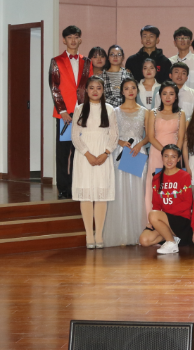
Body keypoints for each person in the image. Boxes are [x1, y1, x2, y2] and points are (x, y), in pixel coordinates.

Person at [71, 76, 119, 249]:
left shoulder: (110, 109)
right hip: (84, 156)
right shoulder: (79, 109)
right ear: (86, 90)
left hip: (103, 155)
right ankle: (89, 235)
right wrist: (87, 154)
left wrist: (106, 153)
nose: (95, 91)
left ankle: (99, 235)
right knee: (86, 195)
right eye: (91, 88)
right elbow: (75, 136)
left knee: (101, 195)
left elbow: (114, 135)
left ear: (103, 90)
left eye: (99, 88)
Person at [49, 25, 92, 200]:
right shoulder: (56, 61)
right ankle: (63, 188)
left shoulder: (87, 62)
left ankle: (76, 186)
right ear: (64, 40)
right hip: (64, 115)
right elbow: (54, 87)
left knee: (79, 151)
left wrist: (87, 110)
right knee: (63, 153)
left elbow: (90, 87)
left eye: (76, 37)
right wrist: (63, 110)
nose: (73, 40)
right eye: (69, 37)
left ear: (80, 39)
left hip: (82, 113)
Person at [106, 78, 150, 247]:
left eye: (133, 88)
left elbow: (149, 135)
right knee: (120, 191)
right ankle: (122, 234)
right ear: (122, 91)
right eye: (127, 88)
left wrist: (140, 144)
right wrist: (120, 142)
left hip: (138, 152)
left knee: (138, 192)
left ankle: (138, 233)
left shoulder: (145, 111)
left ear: (137, 90)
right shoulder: (114, 111)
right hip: (121, 152)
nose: (130, 91)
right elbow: (109, 133)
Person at [137, 145, 193, 255]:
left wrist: (160, 216)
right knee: (144, 240)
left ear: (178, 159)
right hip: (165, 219)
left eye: (173, 157)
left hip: (182, 220)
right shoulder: (157, 178)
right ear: (162, 157)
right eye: (166, 156)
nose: (169, 160)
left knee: (153, 215)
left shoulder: (184, 176)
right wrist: (154, 221)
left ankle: (171, 242)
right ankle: (172, 238)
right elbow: (156, 203)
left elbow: (187, 203)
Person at [144, 81, 186, 219]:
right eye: (164, 94)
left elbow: (181, 138)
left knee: (173, 185)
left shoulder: (181, 114)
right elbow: (150, 137)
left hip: (174, 155)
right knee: (154, 185)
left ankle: (172, 219)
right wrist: (165, 152)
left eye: (171, 94)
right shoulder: (153, 113)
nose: (168, 97)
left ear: (176, 96)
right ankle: (152, 220)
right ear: (160, 95)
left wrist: (173, 155)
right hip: (156, 153)